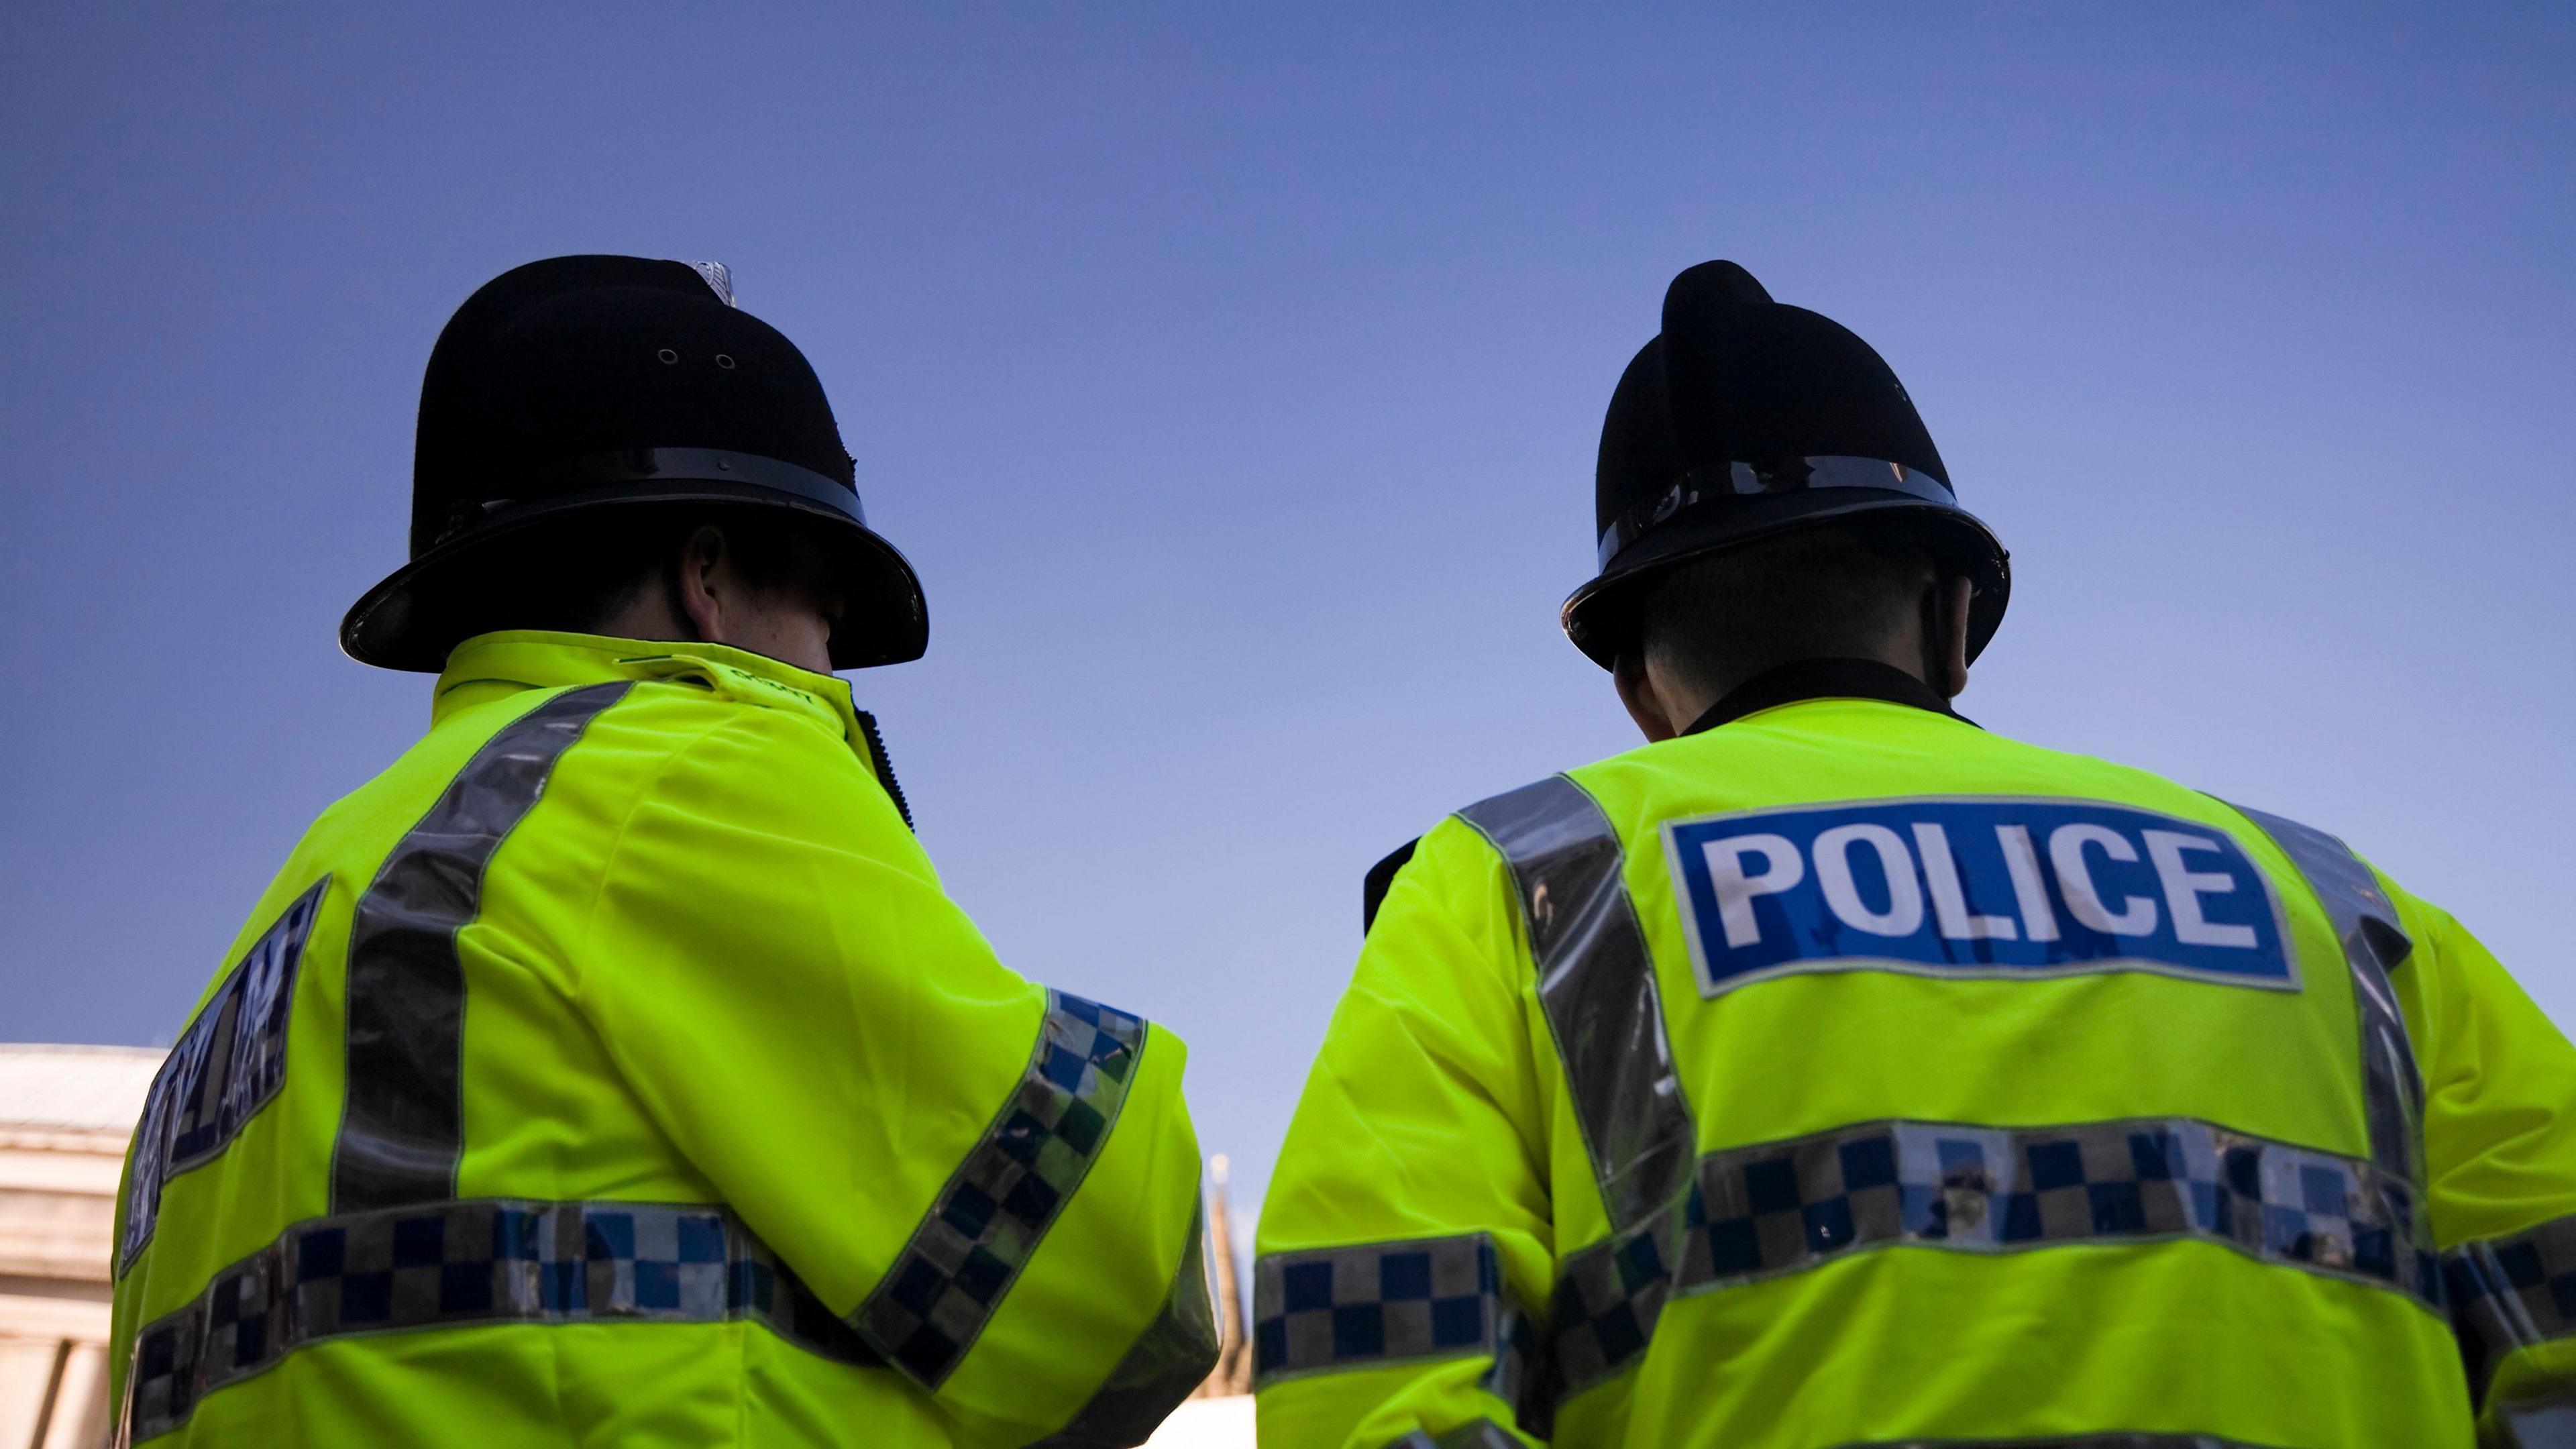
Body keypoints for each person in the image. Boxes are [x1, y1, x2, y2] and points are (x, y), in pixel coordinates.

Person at [1253, 260, 2576, 1448]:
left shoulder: (1516, 884)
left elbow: (1374, 1375)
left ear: (1643, 696)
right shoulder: (2338, 902)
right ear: (1952, 621)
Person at [106, 256, 1217, 1448]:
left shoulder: (286, 933)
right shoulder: (679, 770)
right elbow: (1107, 1275)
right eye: (827, 618)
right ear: (709, 580)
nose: (832, 672)